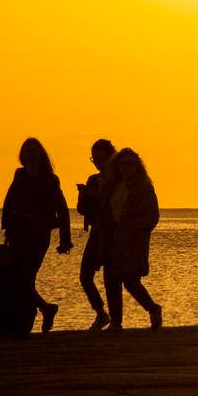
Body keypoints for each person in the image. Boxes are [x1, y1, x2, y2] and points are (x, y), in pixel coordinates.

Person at [0, 137, 71, 333]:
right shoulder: (19, 175)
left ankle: (41, 311)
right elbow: (10, 202)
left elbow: (62, 209)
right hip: (18, 233)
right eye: (27, 151)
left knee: (25, 277)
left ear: (40, 155)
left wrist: (65, 238)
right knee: (17, 277)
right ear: (22, 156)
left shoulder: (49, 178)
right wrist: (7, 227)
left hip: (38, 235)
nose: (30, 154)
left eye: (34, 151)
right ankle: (34, 315)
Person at [103, 147, 163, 331]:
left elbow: (153, 215)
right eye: (122, 164)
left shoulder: (144, 186)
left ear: (137, 165)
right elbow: (105, 210)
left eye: (130, 164)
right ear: (117, 166)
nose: (126, 168)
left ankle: (152, 308)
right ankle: (116, 322)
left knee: (130, 279)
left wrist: (139, 229)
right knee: (111, 278)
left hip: (134, 239)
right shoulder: (113, 185)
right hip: (114, 237)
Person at [75, 138, 117, 331]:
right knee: (85, 275)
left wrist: (96, 196)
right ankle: (101, 313)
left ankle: (116, 320)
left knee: (112, 277)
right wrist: (84, 195)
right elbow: (82, 210)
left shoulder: (118, 179)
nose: (98, 162)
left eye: (102, 158)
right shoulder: (93, 179)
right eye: (95, 159)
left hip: (113, 234)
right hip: (96, 232)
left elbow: (115, 206)